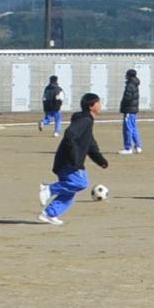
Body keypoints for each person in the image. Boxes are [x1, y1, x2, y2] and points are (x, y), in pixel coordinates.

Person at [38, 93, 110, 225]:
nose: (100, 105)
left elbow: (91, 145)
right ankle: (48, 189)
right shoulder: (85, 120)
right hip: (68, 161)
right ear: (91, 106)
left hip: (67, 161)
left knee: (70, 191)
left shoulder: (87, 121)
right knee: (81, 183)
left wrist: (101, 161)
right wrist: (74, 158)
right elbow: (70, 134)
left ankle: (49, 214)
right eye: (98, 103)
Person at [118, 69, 142, 155]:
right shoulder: (135, 84)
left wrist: (123, 106)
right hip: (133, 109)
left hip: (129, 109)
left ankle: (128, 148)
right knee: (134, 127)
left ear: (129, 75)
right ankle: (138, 146)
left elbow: (128, 97)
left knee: (128, 128)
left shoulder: (130, 85)